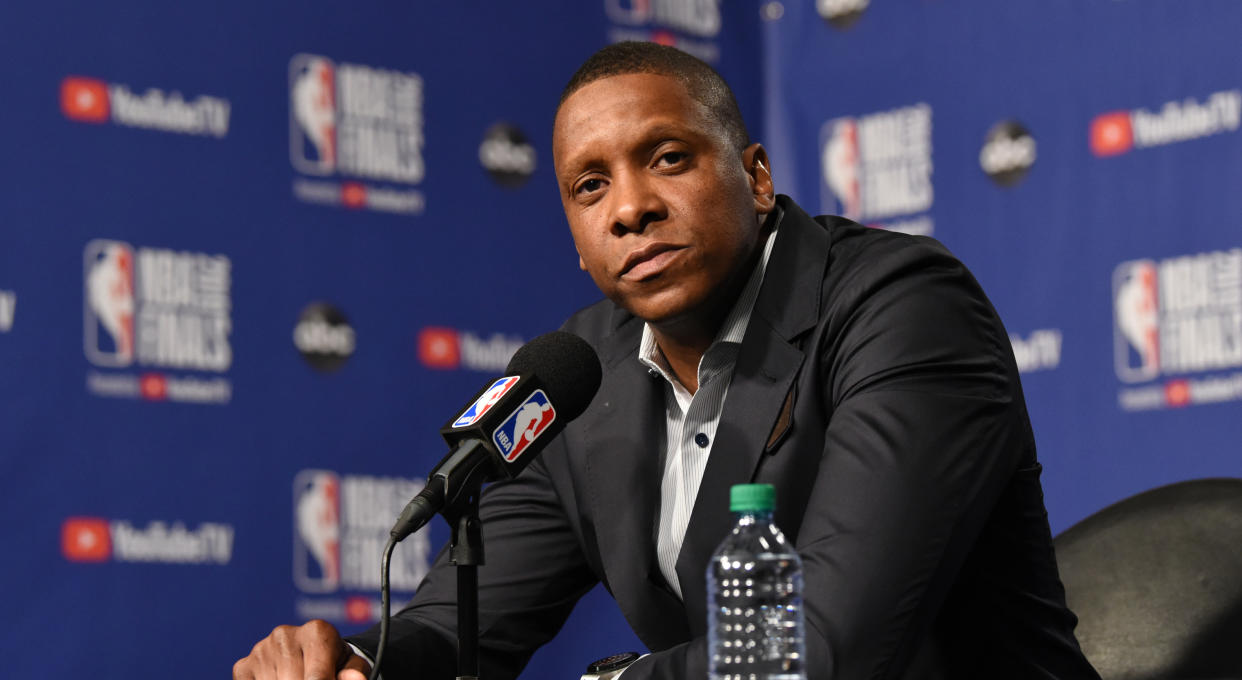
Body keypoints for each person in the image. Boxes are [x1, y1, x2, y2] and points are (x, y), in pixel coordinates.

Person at [234, 42, 1099, 680]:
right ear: (577, 239)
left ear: (757, 179)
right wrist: (353, 664)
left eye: (668, 159)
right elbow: (468, 621)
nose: (631, 209)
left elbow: (831, 645)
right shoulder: (581, 373)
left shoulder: (903, 304)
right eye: (590, 186)